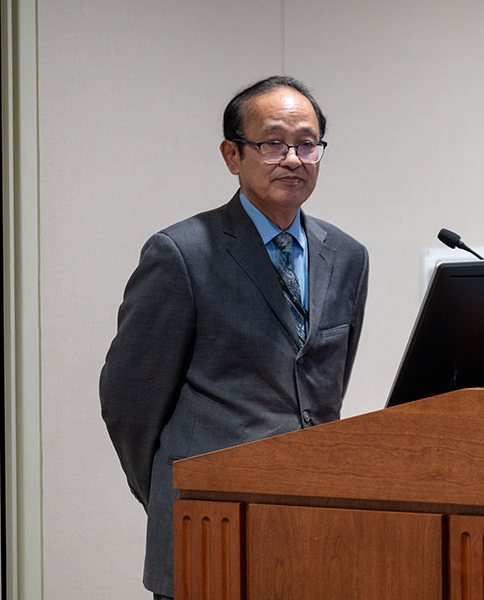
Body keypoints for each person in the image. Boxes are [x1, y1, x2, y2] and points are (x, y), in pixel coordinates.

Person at [99, 75, 369, 598]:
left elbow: (324, 387)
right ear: (232, 155)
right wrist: (172, 492)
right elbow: (129, 400)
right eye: (272, 142)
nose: (293, 158)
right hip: (209, 527)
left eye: (307, 143)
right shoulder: (182, 253)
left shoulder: (348, 255)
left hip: (314, 526)